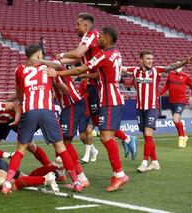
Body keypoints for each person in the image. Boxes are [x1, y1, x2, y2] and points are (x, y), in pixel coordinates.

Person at [48, 27, 129, 192]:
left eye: (100, 38)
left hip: (109, 100)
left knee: (106, 138)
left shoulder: (103, 55)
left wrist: (57, 73)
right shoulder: (116, 54)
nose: (97, 41)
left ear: (106, 39)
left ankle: (119, 174)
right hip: (112, 98)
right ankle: (118, 173)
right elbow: (94, 72)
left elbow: (79, 68)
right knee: (106, 137)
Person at [1, 44, 83, 194]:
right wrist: (55, 80)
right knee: (60, 147)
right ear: (38, 56)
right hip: (47, 111)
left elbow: (19, 95)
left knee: (20, 149)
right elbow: (65, 90)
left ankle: (6, 184)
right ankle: (76, 182)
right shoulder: (49, 69)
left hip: (29, 110)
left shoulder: (19, 70)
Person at [56, 12, 138, 160]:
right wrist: (66, 65)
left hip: (98, 87)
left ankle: (123, 151)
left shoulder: (90, 36)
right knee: (98, 122)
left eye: (78, 24)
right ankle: (125, 140)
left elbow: (80, 55)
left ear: (85, 25)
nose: (76, 28)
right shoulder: (96, 43)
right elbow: (80, 61)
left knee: (102, 128)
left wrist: (61, 57)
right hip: (93, 86)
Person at [121, 51, 192, 172]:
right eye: (148, 58)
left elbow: (171, 66)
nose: (151, 60)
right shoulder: (135, 71)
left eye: (152, 58)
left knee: (148, 134)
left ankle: (144, 162)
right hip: (140, 108)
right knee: (146, 137)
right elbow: (122, 68)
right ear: (141, 60)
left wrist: (185, 62)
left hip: (152, 107)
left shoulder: (157, 70)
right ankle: (155, 162)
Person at [158, 62, 192, 148]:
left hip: (181, 101)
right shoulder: (170, 75)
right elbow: (166, 87)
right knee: (177, 120)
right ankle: (184, 136)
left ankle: (181, 137)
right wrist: (158, 94)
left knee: (175, 119)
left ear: (182, 67)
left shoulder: (186, 76)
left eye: (180, 65)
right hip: (171, 101)